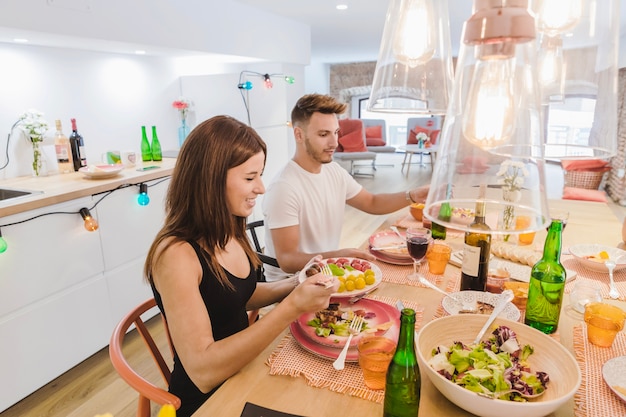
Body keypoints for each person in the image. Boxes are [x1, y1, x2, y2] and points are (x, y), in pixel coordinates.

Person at [144, 115, 337, 417]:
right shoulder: (176, 255)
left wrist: (295, 284)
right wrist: (291, 308)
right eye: (250, 178)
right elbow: (203, 372)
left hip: (245, 369)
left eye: (259, 175)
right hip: (208, 401)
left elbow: (236, 295)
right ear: (210, 180)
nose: (260, 188)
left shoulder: (227, 230)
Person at [262, 94, 430, 282]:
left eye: (335, 132)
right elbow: (288, 260)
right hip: (292, 285)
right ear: (299, 135)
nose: (334, 142)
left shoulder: (333, 170)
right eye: (324, 134)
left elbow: (372, 202)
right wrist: (339, 255)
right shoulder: (284, 188)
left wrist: (413, 195)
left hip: (327, 273)